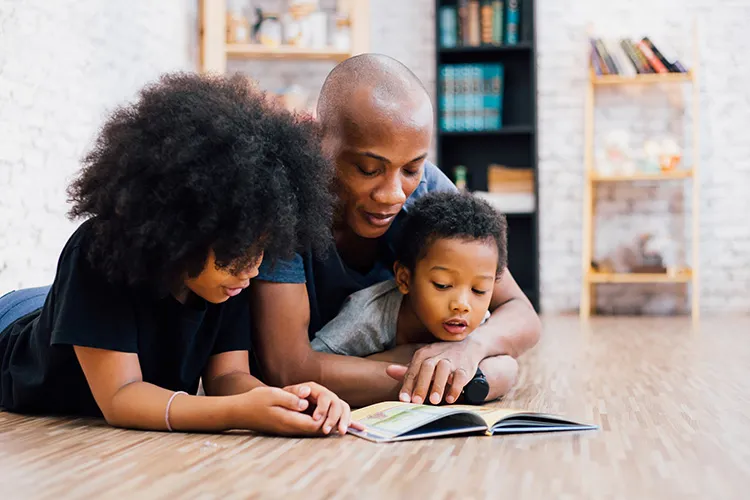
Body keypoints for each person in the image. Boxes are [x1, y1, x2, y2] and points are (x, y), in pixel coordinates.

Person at [0, 72, 360, 437]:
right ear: (183, 226)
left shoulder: (230, 277)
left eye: (262, 251)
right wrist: (238, 412)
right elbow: (121, 397)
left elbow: (227, 376)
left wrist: (289, 402)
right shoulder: (98, 250)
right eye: (239, 252)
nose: (251, 270)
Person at [249, 54, 542, 408]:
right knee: (501, 372)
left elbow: (519, 311)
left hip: (359, 380)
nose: (393, 194)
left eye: (411, 168)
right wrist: (449, 377)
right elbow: (288, 369)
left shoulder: (429, 188)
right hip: (319, 386)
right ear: (317, 141)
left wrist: (470, 349)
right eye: (369, 169)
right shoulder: (284, 204)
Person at [311, 191, 520, 403]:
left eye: (479, 290)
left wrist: (466, 362)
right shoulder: (365, 317)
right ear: (404, 279)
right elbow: (311, 365)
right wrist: (402, 357)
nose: (462, 305)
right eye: (443, 285)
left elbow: (509, 368)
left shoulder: (476, 320)